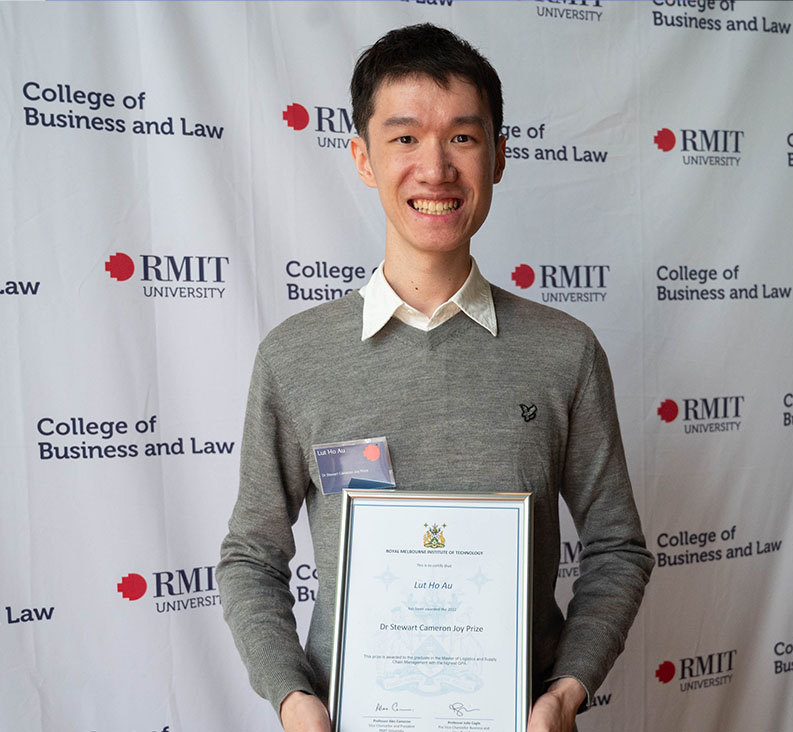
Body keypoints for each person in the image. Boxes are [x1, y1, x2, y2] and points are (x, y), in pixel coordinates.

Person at [217, 23, 653, 732]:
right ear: (362, 157)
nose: (435, 168)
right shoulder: (293, 357)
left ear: (499, 157)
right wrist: (295, 702)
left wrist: (565, 692)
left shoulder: (563, 351)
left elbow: (616, 548)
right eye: (404, 138)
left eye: (462, 137)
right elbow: (250, 557)